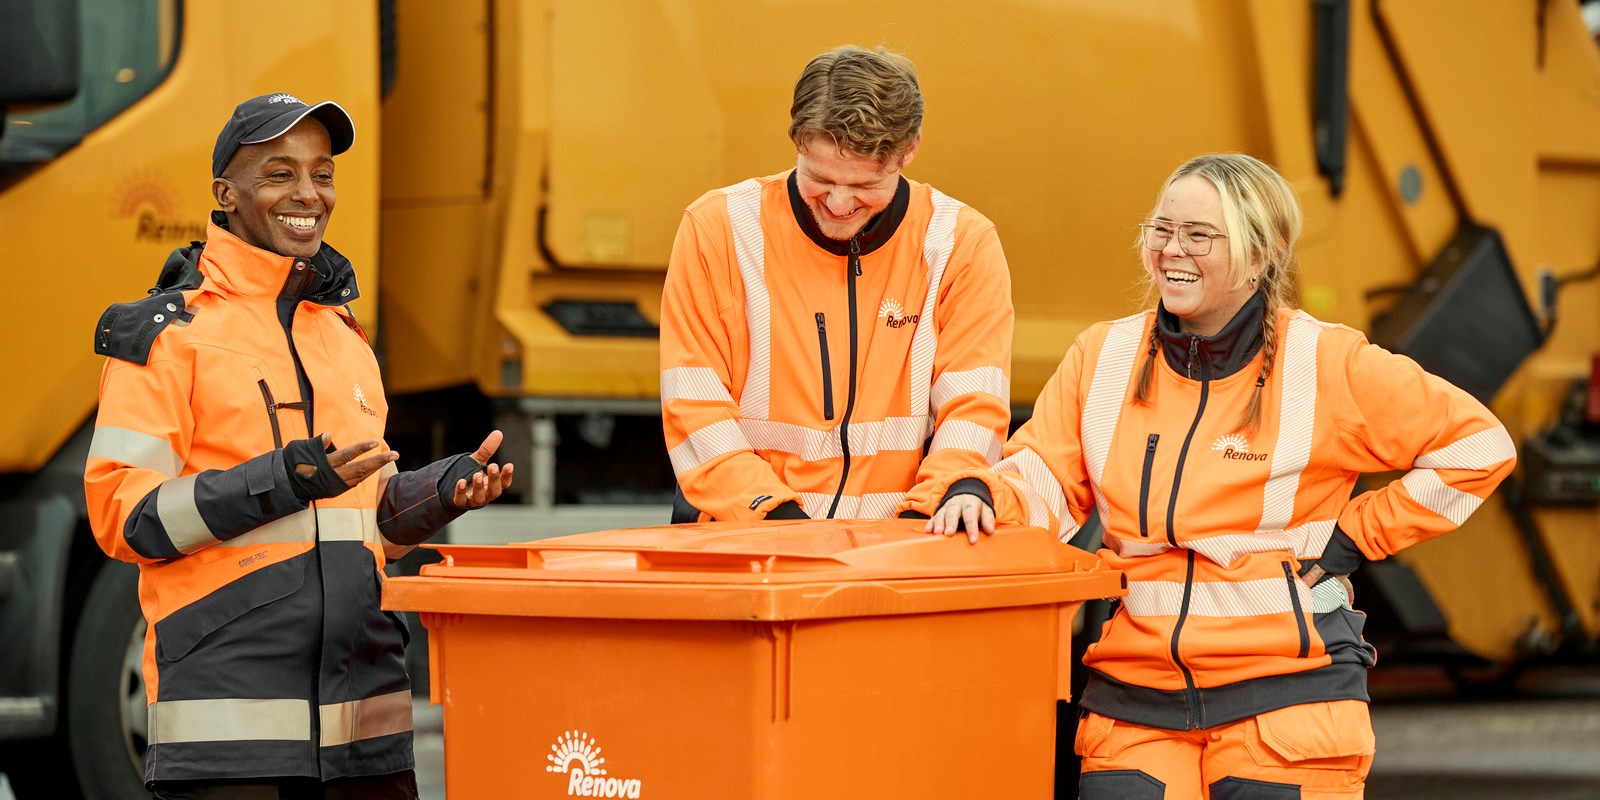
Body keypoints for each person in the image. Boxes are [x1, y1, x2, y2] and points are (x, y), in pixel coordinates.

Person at [925, 153, 1515, 798]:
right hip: (1137, 698)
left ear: (1262, 255)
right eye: (1161, 229)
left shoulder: (1325, 360)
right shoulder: (1103, 355)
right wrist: (981, 492)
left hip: (1289, 696)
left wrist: (1356, 538)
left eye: (1199, 235)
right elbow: (1042, 476)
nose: (1171, 250)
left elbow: (1479, 446)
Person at [84, 93, 514, 799]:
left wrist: (434, 496)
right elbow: (125, 517)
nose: (308, 194)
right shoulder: (165, 335)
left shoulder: (344, 336)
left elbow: (362, 524)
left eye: (323, 173)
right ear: (227, 193)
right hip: (230, 746)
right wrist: (281, 479)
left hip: (365, 737)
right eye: (281, 173)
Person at [660, 45, 1013, 523]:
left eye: (866, 186)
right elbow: (695, 408)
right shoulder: (717, 228)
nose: (840, 203)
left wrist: (935, 508)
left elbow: (974, 406)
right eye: (820, 178)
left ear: (910, 150)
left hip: (897, 551)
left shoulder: (961, 244)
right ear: (797, 141)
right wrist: (778, 521)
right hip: (744, 541)